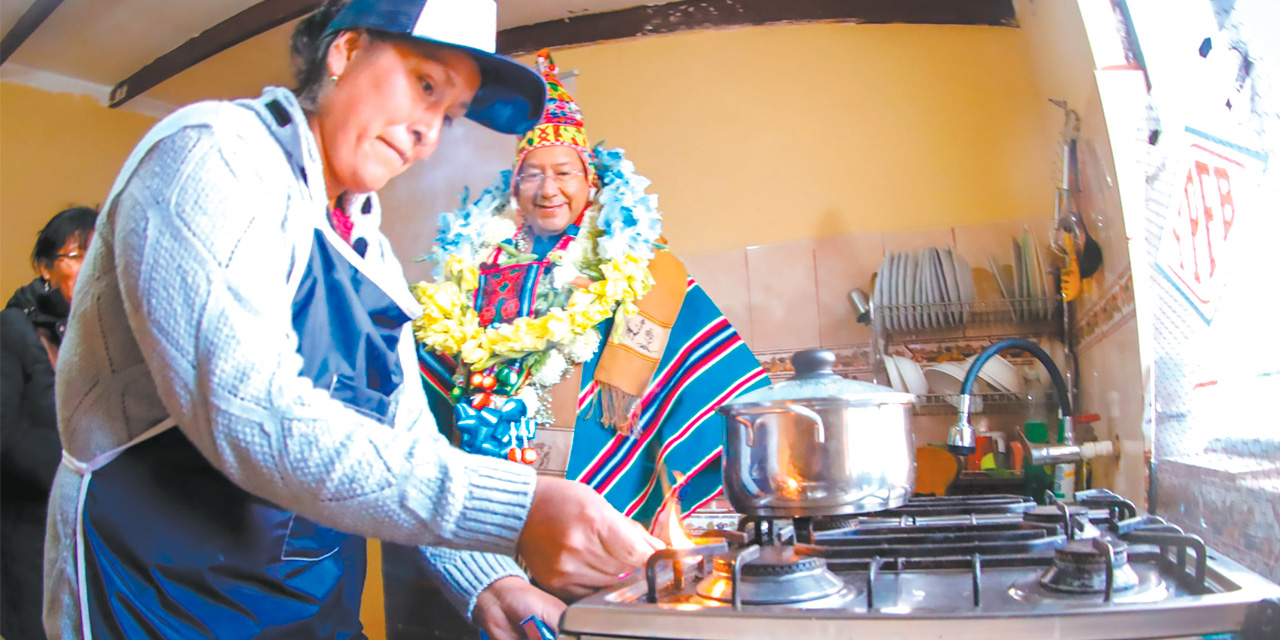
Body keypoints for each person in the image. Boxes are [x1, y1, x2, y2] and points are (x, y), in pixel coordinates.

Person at [43, 2, 663, 639]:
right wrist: (519, 510)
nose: (428, 132)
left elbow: (408, 446)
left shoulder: (370, 256)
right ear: (343, 52)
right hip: (161, 600)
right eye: (425, 86)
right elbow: (251, 419)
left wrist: (491, 583)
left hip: (305, 604)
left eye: (448, 116)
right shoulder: (213, 156)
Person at [410, 50, 768, 619]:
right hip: (495, 511)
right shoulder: (471, 272)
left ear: (591, 180)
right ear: (513, 186)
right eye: (531, 174)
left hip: (607, 505)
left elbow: (705, 370)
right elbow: (430, 384)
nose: (547, 189)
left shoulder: (638, 269)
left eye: (563, 173)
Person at [1, 206, 96, 640]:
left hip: (84, 535)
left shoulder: (95, 336)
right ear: (45, 267)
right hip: (27, 534)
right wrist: (72, 479)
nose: (88, 266)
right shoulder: (12, 330)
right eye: (75, 254)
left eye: (98, 254)